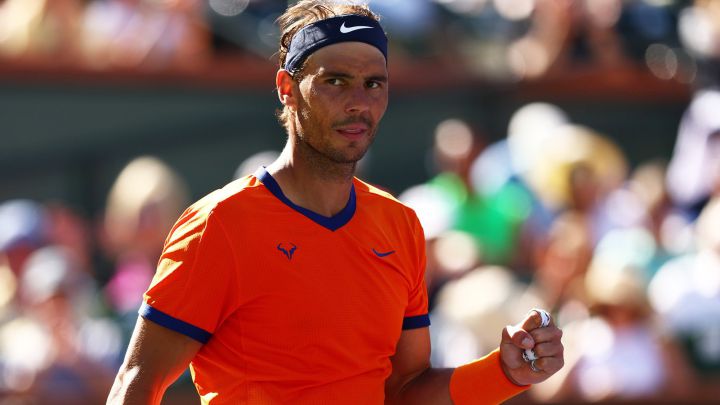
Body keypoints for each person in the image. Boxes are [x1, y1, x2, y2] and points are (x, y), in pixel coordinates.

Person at [106, 1, 564, 404]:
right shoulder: (218, 223)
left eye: (373, 84)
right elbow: (136, 383)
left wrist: (503, 373)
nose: (358, 103)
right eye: (335, 81)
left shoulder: (399, 225)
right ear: (287, 88)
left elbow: (405, 390)